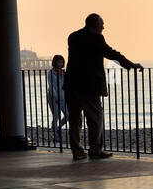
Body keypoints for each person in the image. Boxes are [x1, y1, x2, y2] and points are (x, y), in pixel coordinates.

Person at [64, 13, 143, 161]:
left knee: (75, 119)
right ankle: (95, 150)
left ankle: (77, 151)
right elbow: (111, 53)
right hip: (88, 85)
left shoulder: (72, 36)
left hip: (71, 84)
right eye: (102, 24)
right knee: (96, 118)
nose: (104, 27)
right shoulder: (95, 37)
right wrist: (130, 64)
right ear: (94, 24)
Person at [46, 54, 68, 138]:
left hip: (63, 97)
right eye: (59, 61)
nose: (60, 63)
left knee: (67, 115)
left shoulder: (63, 72)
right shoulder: (50, 73)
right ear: (55, 62)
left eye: (62, 61)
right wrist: (55, 97)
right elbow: (51, 86)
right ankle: (55, 135)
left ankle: (58, 128)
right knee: (56, 116)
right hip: (53, 97)